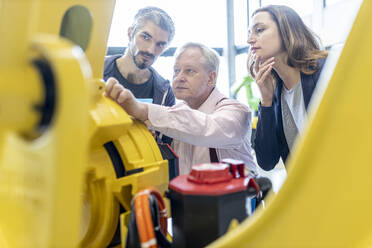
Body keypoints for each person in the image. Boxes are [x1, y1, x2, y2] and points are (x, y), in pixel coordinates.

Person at [105, 42, 257, 175]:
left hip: (235, 206)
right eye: (176, 71)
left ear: (211, 78)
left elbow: (204, 127)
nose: (179, 78)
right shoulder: (174, 116)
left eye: (189, 71)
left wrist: (142, 110)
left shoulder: (236, 112)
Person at [247, 5, 328, 171]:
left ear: (286, 31)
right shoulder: (276, 92)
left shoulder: (325, 71)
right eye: (250, 33)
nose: (250, 40)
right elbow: (267, 161)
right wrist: (266, 101)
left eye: (259, 30)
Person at [103, 6, 176, 143]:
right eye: (146, 37)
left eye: (160, 44)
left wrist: (153, 141)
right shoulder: (95, 72)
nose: (150, 50)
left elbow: (168, 148)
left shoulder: (165, 92)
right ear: (130, 33)